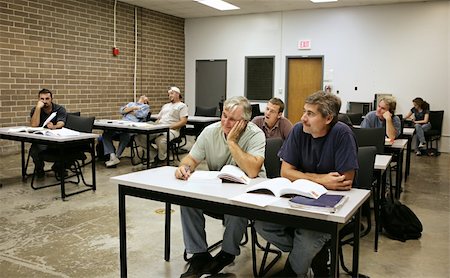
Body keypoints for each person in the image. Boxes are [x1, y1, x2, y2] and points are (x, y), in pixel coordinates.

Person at [254, 91, 358, 277]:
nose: (303, 118)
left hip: (328, 208)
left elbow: (345, 181)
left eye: (310, 114)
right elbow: (285, 172)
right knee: (262, 223)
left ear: (328, 118)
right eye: (304, 111)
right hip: (297, 200)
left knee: (309, 235)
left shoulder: (342, 133)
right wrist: (321, 179)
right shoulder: (298, 130)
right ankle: (313, 255)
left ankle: (293, 271)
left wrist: (301, 175)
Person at [174, 96, 266, 278]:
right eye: (224, 115)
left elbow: (253, 170)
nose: (226, 121)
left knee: (238, 205)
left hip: (247, 198)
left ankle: (227, 253)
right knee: (186, 199)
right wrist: (184, 167)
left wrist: (232, 142)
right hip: (217, 194)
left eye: (233, 119)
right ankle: (199, 255)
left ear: (245, 122)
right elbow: (191, 159)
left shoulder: (256, 134)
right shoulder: (210, 132)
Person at [135, 86, 188, 163]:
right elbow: (159, 119)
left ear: (177, 94)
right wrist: (153, 126)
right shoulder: (166, 106)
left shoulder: (182, 106)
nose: (170, 96)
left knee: (161, 141)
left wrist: (168, 127)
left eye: (172, 94)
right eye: (169, 94)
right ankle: (154, 154)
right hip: (159, 127)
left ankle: (161, 159)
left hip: (172, 130)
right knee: (139, 137)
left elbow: (183, 121)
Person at [29, 88, 67, 178]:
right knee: (34, 149)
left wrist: (54, 127)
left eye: (47, 99)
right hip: (41, 138)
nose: (44, 101)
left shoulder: (59, 109)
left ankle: (58, 167)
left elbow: (61, 123)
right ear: (39, 100)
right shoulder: (35, 109)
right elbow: (34, 125)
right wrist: (38, 108)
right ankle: (39, 168)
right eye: (42, 99)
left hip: (56, 138)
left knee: (65, 148)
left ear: (51, 99)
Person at [103, 95, 150, 167]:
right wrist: (133, 108)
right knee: (106, 134)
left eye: (145, 97)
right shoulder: (131, 104)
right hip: (121, 124)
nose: (143, 96)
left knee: (125, 134)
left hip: (132, 127)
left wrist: (128, 111)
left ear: (146, 101)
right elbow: (121, 111)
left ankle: (117, 156)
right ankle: (113, 156)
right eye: (142, 96)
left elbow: (141, 115)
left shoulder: (145, 107)